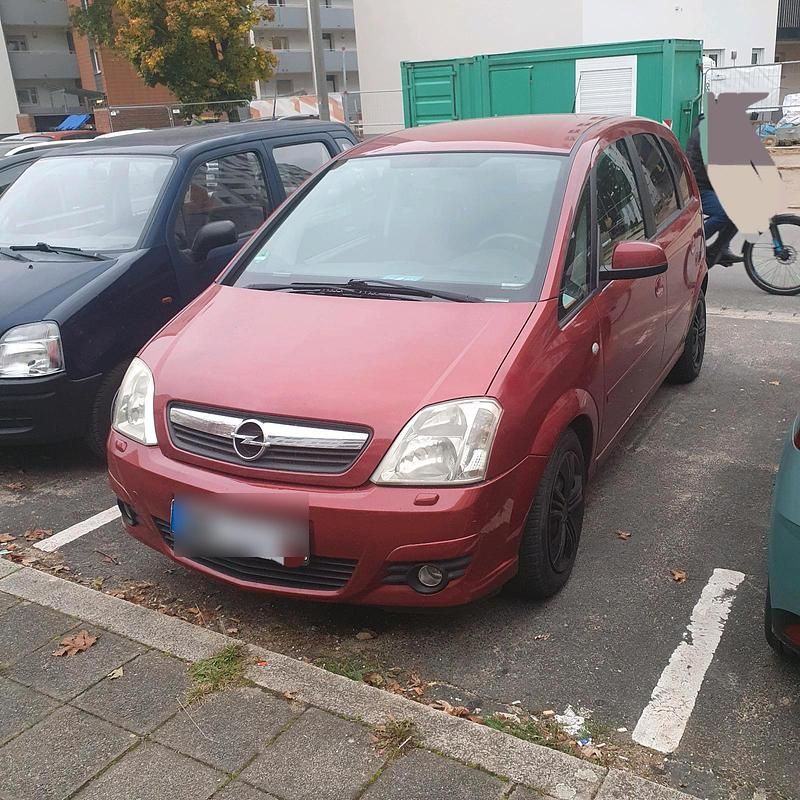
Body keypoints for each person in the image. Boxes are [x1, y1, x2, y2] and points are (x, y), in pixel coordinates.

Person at [686, 114, 743, 267]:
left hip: (708, 184)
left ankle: (720, 248)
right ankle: (691, 243)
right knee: (723, 213)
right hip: (698, 187)